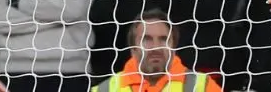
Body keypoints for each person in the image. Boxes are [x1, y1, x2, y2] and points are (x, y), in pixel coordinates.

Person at [90, 11, 223, 92]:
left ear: (174, 48)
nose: (156, 47)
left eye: (163, 39)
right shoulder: (104, 90)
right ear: (133, 49)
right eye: (146, 39)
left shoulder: (202, 86)